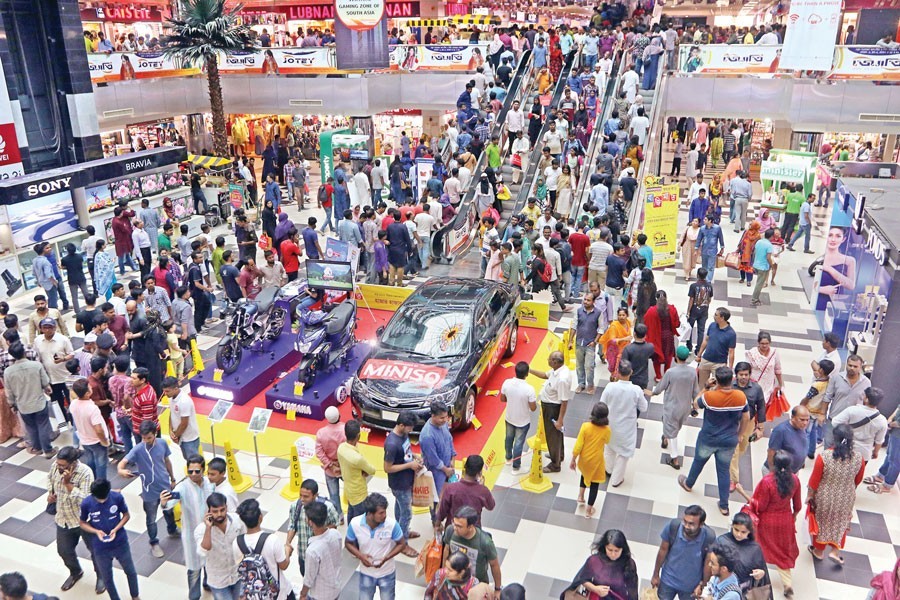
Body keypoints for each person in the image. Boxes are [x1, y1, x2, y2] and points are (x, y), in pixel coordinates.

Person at [678, 366, 750, 516]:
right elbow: (746, 417)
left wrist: (705, 387)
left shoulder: (710, 397)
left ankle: (688, 484)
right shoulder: (740, 396)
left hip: (708, 438)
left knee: (698, 461)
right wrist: (740, 434)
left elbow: (695, 403)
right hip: (729, 440)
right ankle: (724, 505)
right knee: (723, 471)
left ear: (716, 380)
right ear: (732, 379)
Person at [117, 420, 178, 558]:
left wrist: (172, 478)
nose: (146, 441)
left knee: (169, 510)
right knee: (151, 519)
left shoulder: (162, 443)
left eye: (149, 438)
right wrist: (121, 470)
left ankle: (172, 529)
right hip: (149, 492)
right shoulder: (138, 449)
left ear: (155, 434)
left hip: (164, 486)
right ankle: (154, 542)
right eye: (143, 438)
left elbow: (167, 461)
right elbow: (122, 463)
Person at [47, 447, 104, 593]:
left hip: (84, 521)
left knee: (96, 551)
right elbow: (50, 479)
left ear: (72, 463)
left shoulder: (85, 472)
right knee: (64, 550)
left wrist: (68, 485)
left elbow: (86, 500)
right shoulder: (55, 466)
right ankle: (75, 571)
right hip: (63, 517)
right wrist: (51, 494)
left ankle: (102, 576)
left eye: (63, 465)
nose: (59, 467)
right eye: (58, 464)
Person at [744, 450, 801, 597]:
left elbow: (761, 505)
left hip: (767, 522)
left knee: (761, 549)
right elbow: (798, 505)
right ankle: (787, 585)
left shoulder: (767, 481)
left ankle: (755, 578)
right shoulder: (795, 480)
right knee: (782, 554)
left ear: (774, 464)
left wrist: (751, 502)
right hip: (785, 522)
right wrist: (793, 517)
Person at [807, 424, 865, 565]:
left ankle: (818, 552)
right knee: (840, 522)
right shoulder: (859, 458)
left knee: (821, 522)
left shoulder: (824, 456)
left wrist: (810, 495)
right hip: (846, 497)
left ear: (835, 438)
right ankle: (834, 551)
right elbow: (858, 480)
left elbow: (814, 481)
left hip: (824, 496)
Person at [79, 479, 138, 600]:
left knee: (130, 571)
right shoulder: (86, 503)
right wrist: (96, 531)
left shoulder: (117, 497)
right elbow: (82, 523)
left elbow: (126, 515)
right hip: (100, 547)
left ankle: (135, 596)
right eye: (98, 499)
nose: (102, 501)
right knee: (107, 578)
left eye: (104, 499)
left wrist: (116, 529)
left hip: (120, 542)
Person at [647, 346, 700, 470]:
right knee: (672, 425)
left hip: (672, 407)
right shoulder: (692, 372)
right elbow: (695, 391)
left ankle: (675, 459)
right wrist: (695, 407)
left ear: (676, 357)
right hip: (685, 408)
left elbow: (660, 388)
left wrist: (653, 393)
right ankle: (665, 438)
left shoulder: (671, 372)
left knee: (673, 431)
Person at [345, 493, 406, 600]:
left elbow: (402, 544)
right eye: (381, 513)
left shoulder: (392, 524)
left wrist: (386, 558)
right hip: (366, 573)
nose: (384, 515)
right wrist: (361, 556)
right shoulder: (355, 524)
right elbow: (348, 543)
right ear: (370, 514)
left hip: (387, 573)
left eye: (385, 511)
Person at [651, 505, 716, 600]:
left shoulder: (708, 537)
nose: (686, 526)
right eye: (685, 521)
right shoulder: (673, 527)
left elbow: (708, 564)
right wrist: (655, 575)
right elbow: (663, 550)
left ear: (701, 524)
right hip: (667, 582)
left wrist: (702, 585)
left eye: (691, 524)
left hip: (691, 587)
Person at [599, 360, 648, 488]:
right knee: (624, 453)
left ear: (617, 372)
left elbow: (602, 404)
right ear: (631, 372)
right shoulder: (636, 390)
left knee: (609, 448)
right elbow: (644, 408)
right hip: (627, 428)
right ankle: (616, 480)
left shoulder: (610, 387)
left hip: (610, 425)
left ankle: (608, 470)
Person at [4, 342, 56, 458]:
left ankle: (37, 448)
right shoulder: (36, 365)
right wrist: (46, 389)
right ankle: (48, 450)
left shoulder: (8, 372)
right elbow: (45, 382)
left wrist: (12, 404)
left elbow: (9, 392)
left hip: (23, 405)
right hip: (39, 402)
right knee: (43, 425)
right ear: (24, 352)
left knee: (31, 427)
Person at [234, 499, 293, 600]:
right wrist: (287, 551)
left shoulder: (237, 543)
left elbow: (241, 569)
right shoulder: (272, 539)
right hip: (278, 594)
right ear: (260, 517)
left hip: (255, 595)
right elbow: (284, 565)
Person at [383, 411, 423, 556]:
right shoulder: (392, 444)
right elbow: (387, 468)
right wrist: (409, 465)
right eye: (409, 427)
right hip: (399, 484)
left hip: (407, 480)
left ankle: (401, 531)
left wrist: (414, 456)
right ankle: (402, 543)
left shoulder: (403, 435)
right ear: (401, 425)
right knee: (406, 513)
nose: (411, 430)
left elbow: (407, 451)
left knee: (400, 509)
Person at [562, 529, 639, 600]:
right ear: (605, 547)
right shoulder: (594, 561)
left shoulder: (629, 564)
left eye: (617, 551)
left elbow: (632, 590)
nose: (613, 554)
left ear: (623, 549)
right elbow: (582, 579)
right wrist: (595, 589)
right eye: (610, 550)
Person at [195, 492, 245, 600]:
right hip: (218, 580)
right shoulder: (201, 530)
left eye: (222, 510)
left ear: (226, 507)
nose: (219, 514)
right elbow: (204, 550)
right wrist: (208, 528)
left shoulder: (237, 521)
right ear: (209, 511)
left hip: (238, 574)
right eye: (215, 511)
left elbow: (245, 541)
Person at [530, 351, 572, 473]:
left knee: (552, 436)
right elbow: (545, 375)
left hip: (553, 408)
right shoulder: (557, 370)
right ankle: (559, 455)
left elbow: (564, 401)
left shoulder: (562, 379)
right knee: (557, 435)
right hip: (549, 406)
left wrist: (560, 420)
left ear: (555, 361)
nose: (547, 360)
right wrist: (530, 370)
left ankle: (555, 464)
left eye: (549, 359)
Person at [285, 479, 339, 575]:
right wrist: (288, 543)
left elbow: (335, 524)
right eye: (300, 495)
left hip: (322, 555)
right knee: (305, 576)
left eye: (306, 496)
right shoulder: (296, 506)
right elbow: (292, 525)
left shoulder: (328, 507)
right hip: (304, 554)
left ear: (315, 495)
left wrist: (320, 530)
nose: (302, 499)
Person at [441, 506, 502, 591]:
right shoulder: (450, 531)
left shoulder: (485, 542)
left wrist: (497, 589)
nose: (455, 528)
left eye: (459, 526)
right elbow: (447, 550)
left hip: (477, 587)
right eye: (454, 523)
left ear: (470, 527)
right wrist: (444, 573)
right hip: (454, 582)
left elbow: (494, 565)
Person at [729, 362, 767, 490]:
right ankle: (733, 480)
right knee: (734, 451)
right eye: (741, 374)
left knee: (743, 446)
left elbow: (761, 407)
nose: (744, 377)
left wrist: (760, 427)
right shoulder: (730, 386)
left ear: (750, 375)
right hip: (732, 423)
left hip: (748, 423)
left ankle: (730, 461)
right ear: (736, 375)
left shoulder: (756, 388)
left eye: (746, 374)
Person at [570, 402, 611, 517]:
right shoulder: (607, 430)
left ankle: (580, 496)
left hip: (584, 459)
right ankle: (588, 511)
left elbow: (578, 445)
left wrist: (573, 459)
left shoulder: (585, 426)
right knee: (594, 484)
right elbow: (607, 441)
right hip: (596, 461)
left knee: (584, 474)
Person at [714, 513, 769, 597]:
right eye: (736, 530)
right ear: (732, 526)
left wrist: (761, 573)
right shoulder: (722, 541)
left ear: (749, 531)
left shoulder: (754, 549)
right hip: (720, 587)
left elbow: (761, 570)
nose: (739, 534)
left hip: (744, 592)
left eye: (743, 532)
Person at [822, 354, 871, 448]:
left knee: (849, 448)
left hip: (853, 423)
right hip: (834, 419)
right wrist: (822, 414)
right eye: (850, 365)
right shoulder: (836, 378)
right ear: (846, 365)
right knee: (829, 445)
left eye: (855, 366)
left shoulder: (866, 382)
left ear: (860, 367)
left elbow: (866, 402)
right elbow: (827, 397)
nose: (852, 368)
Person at [434, 455, 495, 530]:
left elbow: (442, 511)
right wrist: (483, 488)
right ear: (479, 473)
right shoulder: (483, 491)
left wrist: (437, 525)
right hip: (473, 531)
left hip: (453, 529)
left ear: (465, 468)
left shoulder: (451, 488)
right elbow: (491, 506)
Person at [298, 502, 342, 600]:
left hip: (320, 595)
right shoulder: (336, 534)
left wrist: (303, 594)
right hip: (336, 588)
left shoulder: (312, 550)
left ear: (310, 522)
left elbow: (308, 579)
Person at [420, 401, 457, 515]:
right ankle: (435, 519)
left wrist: (452, 459)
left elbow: (449, 440)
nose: (445, 420)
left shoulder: (443, 424)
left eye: (446, 417)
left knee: (449, 492)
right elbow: (433, 459)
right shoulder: (427, 436)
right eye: (442, 418)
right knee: (435, 497)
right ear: (433, 416)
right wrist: (445, 470)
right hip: (436, 472)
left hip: (448, 466)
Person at [832, 387, 888, 463]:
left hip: (847, 449)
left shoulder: (852, 410)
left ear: (867, 399)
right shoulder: (882, 420)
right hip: (865, 454)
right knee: (859, 470)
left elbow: (835, 422)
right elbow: (879, 440)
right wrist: (875, 452)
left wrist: (846, 428)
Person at [68, 378, 110, 480]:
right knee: (101, 464)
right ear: (87, 393)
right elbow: (98, 429)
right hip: (96, 441)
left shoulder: (73, 404)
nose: (91, 387)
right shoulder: (92, 409)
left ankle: (91, 481)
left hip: (84, 439)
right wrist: (104, 441)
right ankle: (101, 485)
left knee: (90, 461)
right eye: (90, 387)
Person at [500, 362, 537, 473]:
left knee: (508, 439)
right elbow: (533, 408)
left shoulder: (506, 383)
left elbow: (502, 399)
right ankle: (516, 467)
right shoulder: (529, 389)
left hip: (509, 418)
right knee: (518, 443)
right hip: (523, 421)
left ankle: (508, 458)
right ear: (527, 374)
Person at [338, 419, 377, 522]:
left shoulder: (341, 448)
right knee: (360, 521)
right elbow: (372, 470)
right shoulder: (357, 459)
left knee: (351, 514)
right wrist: (363, 471)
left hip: (348, 490)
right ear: (358, 436)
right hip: (359, 494)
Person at [569, 292, 606, 394]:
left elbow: (601, 329)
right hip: (578, 343)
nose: (585, 302)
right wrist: (570, 341)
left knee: (589, 366)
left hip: (590, 344)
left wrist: (595, 342)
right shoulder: (579, 311)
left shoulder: (598, 313)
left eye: (588, 300)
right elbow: (574, 326)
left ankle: (590, 385)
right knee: (579, 365)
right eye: (584, 299)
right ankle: (581, 384)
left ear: (593, 302)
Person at [314, 406, 345, 523]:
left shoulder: (321, 433)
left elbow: (319, 452)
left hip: (330, 470)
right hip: (345, 467)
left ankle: (339, 517)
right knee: (352, 490)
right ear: (339, 416)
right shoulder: (345, 430)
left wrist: (331, 465)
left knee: (333, 494)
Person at [864, 402, 900, 495]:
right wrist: (889, 421)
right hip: (894, 432)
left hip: (898, 433)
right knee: (889, 455)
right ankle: (881, 475)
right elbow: (898, 409)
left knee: (895, 461)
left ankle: (888, 484)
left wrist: (890, 424)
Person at [643, 291, 680, 381]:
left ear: (656, 299)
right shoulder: (672, 309)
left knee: (656, 357)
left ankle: (658, 376)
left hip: (656, 337)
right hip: (668, 336)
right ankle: (666, 375)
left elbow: (646, 323)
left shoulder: (651, 311)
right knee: (668, 356)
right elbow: (677, 324)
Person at [695, 307, 736, 386]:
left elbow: (731, 352)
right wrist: (699, 355)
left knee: (717, 386)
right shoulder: (712, 325)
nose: (714, 316)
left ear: (722, 318)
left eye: (716, 315)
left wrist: (730, 369)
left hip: (719, 364)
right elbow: (706, 340)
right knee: (701, 385)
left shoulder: (731, 334)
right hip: (706, 360)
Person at [620, 323, 656, 390]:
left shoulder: (628, 349)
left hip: (630, 379)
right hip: (643, 379)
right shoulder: (650, 347)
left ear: (634, 334)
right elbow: (654, 357)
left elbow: (623, 365)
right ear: (645, 335)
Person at [695, 215, 724, 283]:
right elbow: (699, 239)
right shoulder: (702, 228)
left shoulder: (717, 228)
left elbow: (720, 237)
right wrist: (696, 249)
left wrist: (722, 247)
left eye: (705, 219)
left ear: (710, 221)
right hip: (704, 250)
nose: (703, 220)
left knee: (711, 266)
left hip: (712, 250)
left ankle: (708, 280)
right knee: (704, 266)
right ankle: (704, 278)